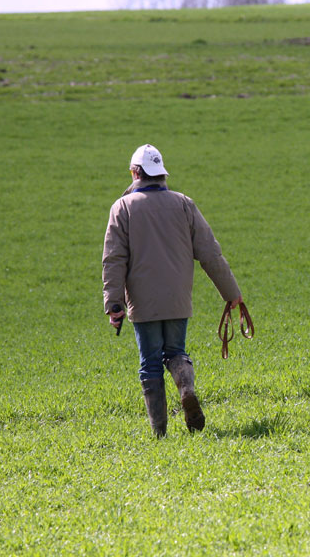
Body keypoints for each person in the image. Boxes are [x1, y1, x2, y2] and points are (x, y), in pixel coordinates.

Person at [102, 144, 243, 438]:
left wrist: (114, 303)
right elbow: (210, 255)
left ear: (136, 172)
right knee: (176, 352)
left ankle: (160, 434)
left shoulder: (123, 207)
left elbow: (114, 259)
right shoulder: (184, 204)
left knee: (150, 363)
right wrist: (232, 295)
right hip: (178, 299)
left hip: (142, 303)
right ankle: (187, 387)